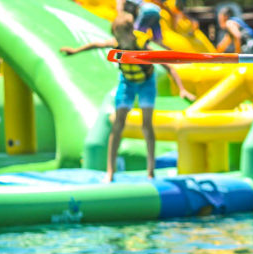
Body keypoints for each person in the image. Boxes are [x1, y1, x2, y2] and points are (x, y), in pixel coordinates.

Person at [60, 13, 195, 182]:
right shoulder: (117, 43)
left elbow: (167, 65)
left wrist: (182, 89)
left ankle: (150, 171)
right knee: (118, 125)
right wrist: (74, 51)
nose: (115, 39)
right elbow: (96, 45)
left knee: (147, 125)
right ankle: (110, 171)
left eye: (118, 35)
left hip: (146, 83)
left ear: (129, 32)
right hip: (127, 83)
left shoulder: (142, 45)